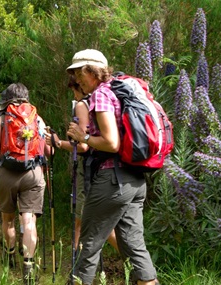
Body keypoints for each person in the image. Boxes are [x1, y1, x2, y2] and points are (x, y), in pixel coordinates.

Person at [65, 49, 158, 285]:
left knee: (88, 246)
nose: (76, 80)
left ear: (91, 71)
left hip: (112, 180)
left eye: (78, 74)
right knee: (135, 249)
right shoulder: (118, 91)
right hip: (134, 181)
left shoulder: (101, 94)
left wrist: (82, 137)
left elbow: (111, 142)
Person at [0, 83, 51, 284]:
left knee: (8, 219)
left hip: (6, 173)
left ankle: (10, 254)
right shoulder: (37, 118)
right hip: (33, 173)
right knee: (29, 220)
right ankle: (28, 266)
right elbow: (49, 151)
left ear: (6, 99)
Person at [44, 75, 118, 252]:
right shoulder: (106, 98)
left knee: (88, 220)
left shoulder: (82, 105)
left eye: (73, 90)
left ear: (79, 86)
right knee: (93, 220)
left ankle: (79, 263)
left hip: (89, 170)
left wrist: (58, 142)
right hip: (111, 169)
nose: (74, 95)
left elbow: (83, 146)